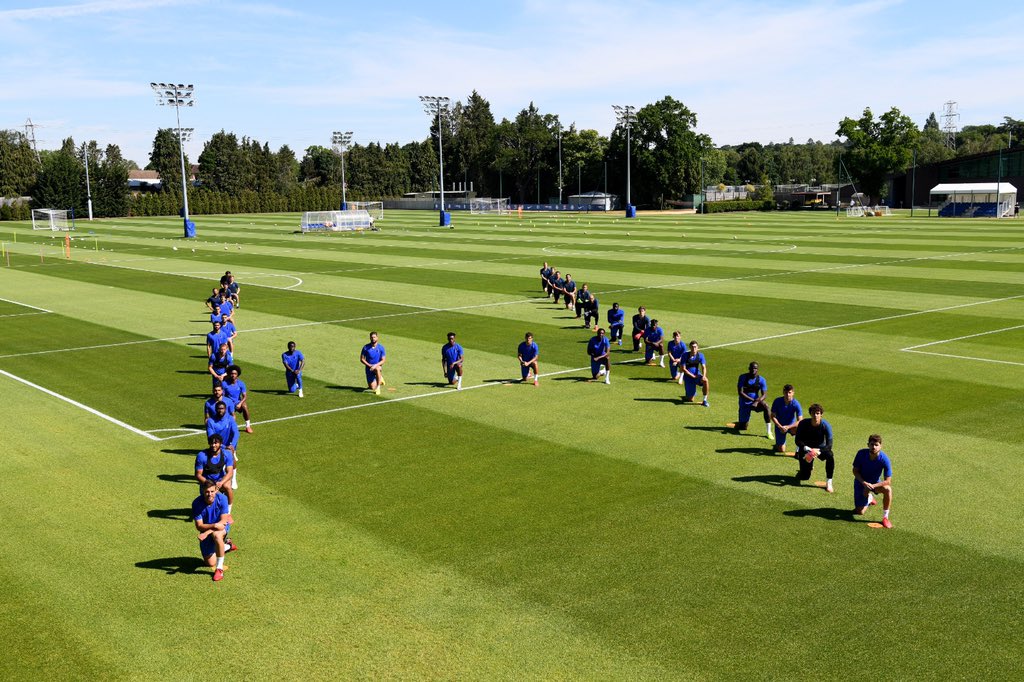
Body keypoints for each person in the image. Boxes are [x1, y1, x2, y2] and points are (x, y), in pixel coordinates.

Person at [192, 478, 236, 582]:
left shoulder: (222, 499)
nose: (210, 494)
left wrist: (207, 532)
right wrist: (214, 525)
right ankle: (227, 546)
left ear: (216, 490)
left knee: (217, 535)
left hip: (222, 526)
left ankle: (219, 569)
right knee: (210, 563)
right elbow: (199, 526)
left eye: (212, 491)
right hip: (213, 526)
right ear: (203, 491)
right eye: (207, 492)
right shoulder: (196, 503)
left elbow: (223, 522)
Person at [852, 434, 893, 528]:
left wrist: (872, 486)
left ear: (880, 446)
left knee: (888, 489)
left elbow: (888, 481)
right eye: (872, 444)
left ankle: (885, 517)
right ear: (868, 445)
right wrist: (864, 483)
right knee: (860, 512)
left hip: (875, 483)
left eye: (876, 445)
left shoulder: (885, 459)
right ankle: (869, 498)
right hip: (861, 482)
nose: (874, 447)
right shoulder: (861, 453)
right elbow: (855, 471)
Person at [794, 403, 835, 492]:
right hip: (807, 449)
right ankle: (808, 467)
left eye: (818, 413)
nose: (816, 415)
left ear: (821, 414)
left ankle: (829, 482)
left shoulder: (826, 425)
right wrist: (808, 449)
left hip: (820, 449)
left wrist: (818, 451)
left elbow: (829, 445)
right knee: (804, 477)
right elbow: (797, 440)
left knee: (830, 455)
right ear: (810, 414)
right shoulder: (803, 423)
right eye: (814, 413)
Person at [194, 434, 235, 508]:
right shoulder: (202, 455)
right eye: (211, 443)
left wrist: (221, 482)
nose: (213, 445)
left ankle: (228, 512)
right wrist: (210, 484)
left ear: (220, 444)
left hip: (220, 480)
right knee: (211, 501)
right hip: (207, 482)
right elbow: (198, 475)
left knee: (228, 487)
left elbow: (230, 472)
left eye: (216, 443)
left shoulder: (227, 454)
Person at [736, 361, 771, 436]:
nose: (753, 370)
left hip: (756, 403)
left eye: (755, 368)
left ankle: (769, 431)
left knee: (766, 407)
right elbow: (740, 393)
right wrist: (753, 400)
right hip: (744, 403)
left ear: (757, 369)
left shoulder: (761, 380)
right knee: (743, 428)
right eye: (752, 368)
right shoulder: (742, 377)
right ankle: (740, 422)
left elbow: (764, 394)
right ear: (749, 368)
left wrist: (757, 402)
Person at [770, 384, 803, 453]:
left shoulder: (796, 404)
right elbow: (772, 416)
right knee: (781, 450)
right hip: (780, 426)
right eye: (786, 392)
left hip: (791, 426)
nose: (788, 394)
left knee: (800, 429)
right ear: (783, 392)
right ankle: (777, 445)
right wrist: (780, 426)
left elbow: (800, 420)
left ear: (793, 393)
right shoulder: (777, 401)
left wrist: (788, 427)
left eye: (789, 392)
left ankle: (799, 449)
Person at [221, 365, 252, 433]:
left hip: (237, 402)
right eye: (232, 373)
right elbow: (222, 396)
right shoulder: (224, 384)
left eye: (235, 374)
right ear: (229, 374)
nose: (233, 375)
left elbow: (245, 396)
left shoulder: (241, 384)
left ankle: (248, 426)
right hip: (228, 403)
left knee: (245, 406)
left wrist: (240, 403)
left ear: (237, 375)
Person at [681, 340, 710, 407]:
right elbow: (683, 369)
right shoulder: (685, 355)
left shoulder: (700, 355)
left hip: (697, 376)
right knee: (690, 399)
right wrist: (693, 376)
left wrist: (704, 376)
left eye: (695, 347)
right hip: (688, 377)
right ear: (690, 347)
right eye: (692, 347)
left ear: (697, 347)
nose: (694, 348)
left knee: (706, 380)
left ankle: (705, 400)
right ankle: (687, 396)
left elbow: (703, 367)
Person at [360, 331, 387, 395]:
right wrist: (369, 365)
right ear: (370, 338)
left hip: (377, 366)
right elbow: (362, 359)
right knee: (372, 387)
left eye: (374, 337)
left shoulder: (381, 347)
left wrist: (375, 365)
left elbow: (383, 360)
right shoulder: (365, 347)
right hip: (369, 368)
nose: (373, 339)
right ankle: (380, 379)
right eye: (372, 337)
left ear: (377, 338)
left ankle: (378, 387)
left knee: (377, 369)